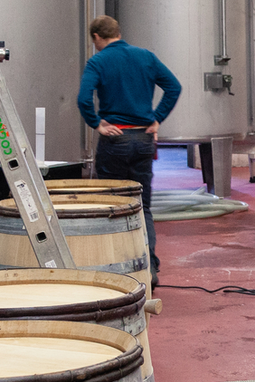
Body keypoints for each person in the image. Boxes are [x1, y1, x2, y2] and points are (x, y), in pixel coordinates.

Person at [77, 15, 181, 276]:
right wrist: (157, 119)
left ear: (96, 37)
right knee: (142, 205)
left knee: (112, 205)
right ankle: (149, 268)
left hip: (115, 140)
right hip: (143, 139)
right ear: (119, 33)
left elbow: (83, 99)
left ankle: (116, 270)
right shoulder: (146, 57)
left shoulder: (98, 61)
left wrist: (97, 124)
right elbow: (174, 87)